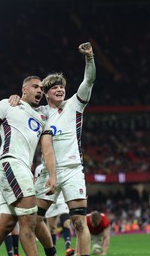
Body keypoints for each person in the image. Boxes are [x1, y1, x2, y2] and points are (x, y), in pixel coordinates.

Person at [10, 42, 96, 256]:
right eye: (54, 88)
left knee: (78, 221)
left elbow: (89, 79)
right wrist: (15, 98)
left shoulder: (75, 104)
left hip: (73, 169)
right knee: (33, 220)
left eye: (61, 87)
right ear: (46, 94)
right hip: (47, 172)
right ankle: (51, 252)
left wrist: (89, 58)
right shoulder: (38, 113)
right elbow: (20, 106)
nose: (60, 89)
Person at [0, 75, 57, 256]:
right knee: (29, 223)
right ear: (24, 90)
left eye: (41, 88)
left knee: (5, 225)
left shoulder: (43, 117)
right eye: (35, 86)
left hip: (23, 171)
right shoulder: (8, 105)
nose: (39, 90)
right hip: (10, 164)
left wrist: (53, 175)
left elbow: (48, 150)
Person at [35, 163, 74, 256]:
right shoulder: (39, 168)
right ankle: (53, 251)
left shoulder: (61, 163)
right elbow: (36, 182)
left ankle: (68, 248)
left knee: (66, 222)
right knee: (52, 229)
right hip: (48, 197)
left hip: (61, 198)